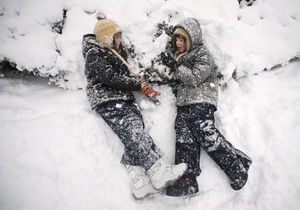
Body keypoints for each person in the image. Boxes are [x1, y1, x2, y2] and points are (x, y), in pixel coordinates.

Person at [81, 12, 188, 199]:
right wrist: (138, 85)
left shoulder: (110, 53)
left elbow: (122, 78)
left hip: (120, 98)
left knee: (133, 132)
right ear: (107, 37)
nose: (120, 40)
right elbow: (109, 78)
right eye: (117, 36)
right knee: (133, 131)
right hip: (108, 98)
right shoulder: (94, 52)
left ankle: (140, 182)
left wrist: (143, 87)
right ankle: (157, 171)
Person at [160, 17, 252, 196]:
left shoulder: (202, 53)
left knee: (205, 133)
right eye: (176, 39)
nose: (178, 43)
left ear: (191, 38)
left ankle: (236, 169)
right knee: (184, 137)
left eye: (182, 39)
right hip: (185, 104)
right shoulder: (182, 57)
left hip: (201, 100)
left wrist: (175, 65)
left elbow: (195, 77)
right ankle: (187, 179)